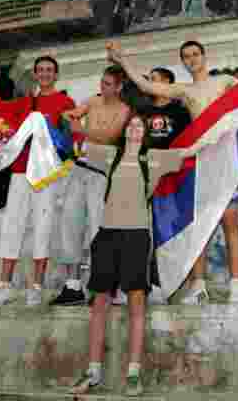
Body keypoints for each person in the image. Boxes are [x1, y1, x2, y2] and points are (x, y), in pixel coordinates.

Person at [69, 112, 203, 396]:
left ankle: (133, 372)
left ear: (145, 133)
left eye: (139, 125)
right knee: (99, 304)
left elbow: (192, 149)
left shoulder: (154, 158)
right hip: (107, 234)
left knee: (137, 304)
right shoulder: (110, 155)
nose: (134, 128)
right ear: (125, 129)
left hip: (137, 237)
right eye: (130, 124)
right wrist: (73, 118)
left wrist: (222, 128)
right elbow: (78, 143)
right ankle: (92, 371)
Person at [107, 39, 238, 304]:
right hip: (202, 158)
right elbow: (147, 86)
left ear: (204, 56)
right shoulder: (184, 90)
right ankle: (199, 286)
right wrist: (123, 60)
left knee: (230, 220)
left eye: (195, 54)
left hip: (226, 155)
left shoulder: (224, 81)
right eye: (186, 56)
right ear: (183, 62)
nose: (192, 59)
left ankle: (237, 285)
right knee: (200, 224)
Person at [0, 56, 77, 307]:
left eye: (49, 70)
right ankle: (3, 285)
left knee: (44, 224)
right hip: (20, 168)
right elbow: (0, 116)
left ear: (56, 74)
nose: (45, 74)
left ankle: (36, 286)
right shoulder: (26, 102)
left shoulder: (65, 101)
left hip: (46, 172)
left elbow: (69, 136)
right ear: (36, 75)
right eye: (40, 70)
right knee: (12, 224)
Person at [51, 66, 132, 307]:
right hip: (80, 167)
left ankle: (101, 285)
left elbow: (110, 136)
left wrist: (83, 129)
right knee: (70, 223)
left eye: (107, 84)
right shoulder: (93, 101)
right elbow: (72, 114)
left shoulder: (124, 109)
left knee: (99, 229)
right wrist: (70, 117)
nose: (102, 87)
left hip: (103, 173)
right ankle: (73, 285)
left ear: (118, 87)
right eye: (102, 82)